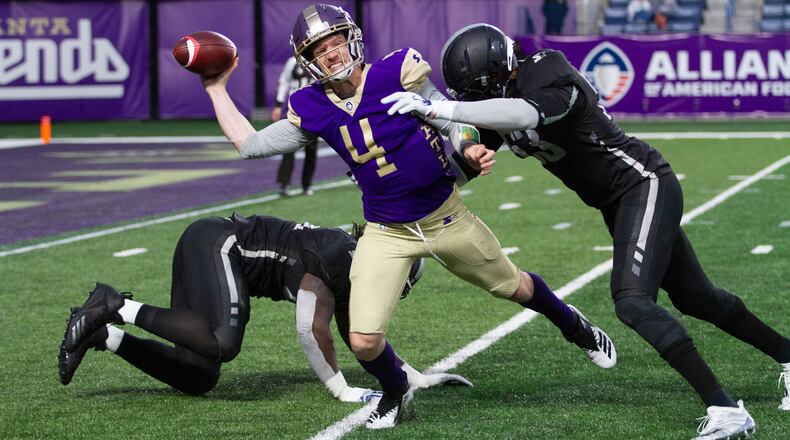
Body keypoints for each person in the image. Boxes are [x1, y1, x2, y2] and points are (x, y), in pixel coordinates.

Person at [200, 4, 617, 430]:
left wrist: (470, 146)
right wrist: (216, 89)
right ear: (307, 60)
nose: (331, 53)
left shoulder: (397, 69)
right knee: (363, 341)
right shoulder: (311, 105)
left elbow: (449, 115)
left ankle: (574, 326)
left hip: (446, 217)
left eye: (335, 41)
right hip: (386, 232)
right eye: (318, 49)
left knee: (516, 286)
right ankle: (397, 392)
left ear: (352, 38)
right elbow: (251, 144)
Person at [382, 22, 790, 439]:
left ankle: (725, 409)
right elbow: (467, 156)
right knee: (697, 297)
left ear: (499, 72)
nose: (471, 101)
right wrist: (404, 183)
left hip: (642, 182)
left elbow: (525, 113)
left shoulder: (547, 68)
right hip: (616, 202)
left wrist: (442, 109)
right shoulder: (495, 102)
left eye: (476, 92)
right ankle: (788, 356)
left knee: (631, 301)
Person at [58, 214, 470, 400]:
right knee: (223, 341)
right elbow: (310, 327)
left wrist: (414, 378)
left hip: (213, 249)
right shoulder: (340, 257)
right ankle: (113, 305)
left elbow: (362, 338)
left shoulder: (356, 267)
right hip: (219, 243)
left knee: (197, 375)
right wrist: (340, 390)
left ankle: (105, 334)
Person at [272, 57, 318, 196]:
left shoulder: (318, 59)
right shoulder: (292, 62)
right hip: (294, 109)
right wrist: (278, 105)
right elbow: (284, 82)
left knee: (311, 149)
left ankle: (307, 184)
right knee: (288, 146)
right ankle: (284, 184)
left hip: (313, 110)